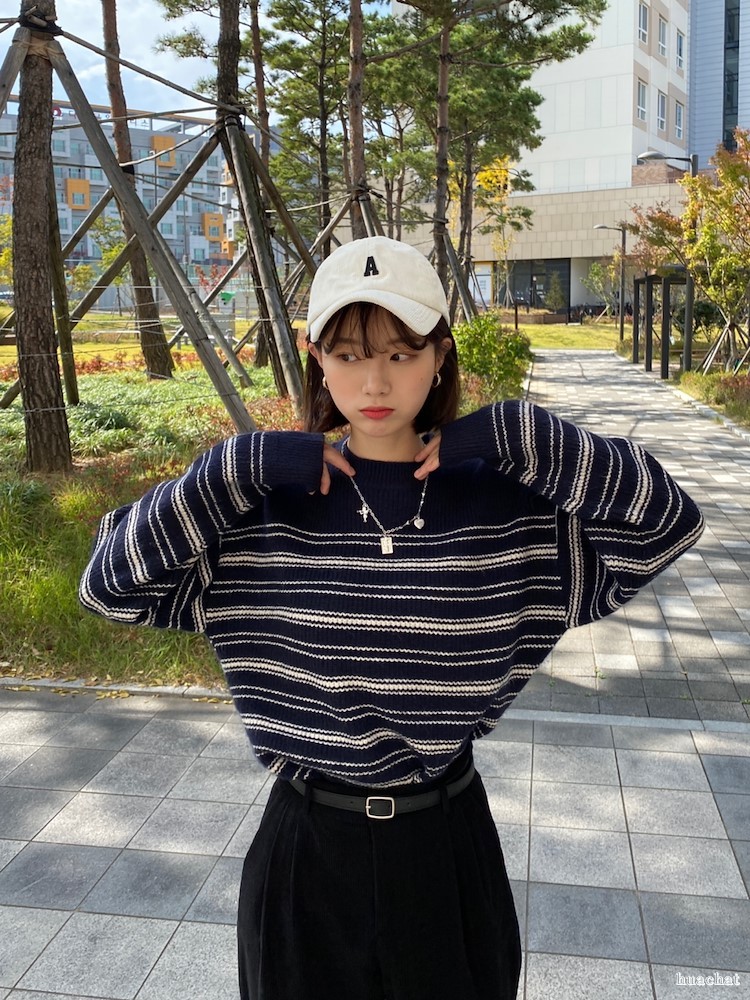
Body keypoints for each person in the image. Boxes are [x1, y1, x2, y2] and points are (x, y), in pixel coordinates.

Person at [80, 235, 704, 1000]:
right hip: (305, 854)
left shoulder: (504, 509)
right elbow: (108, 587)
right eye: (347, 355)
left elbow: (665, 523)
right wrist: (230, 469)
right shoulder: (260, 507)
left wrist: (523, 436)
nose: (374, 381)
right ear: (315, 357)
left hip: (446, 847)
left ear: (440, 356)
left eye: (402, 354)